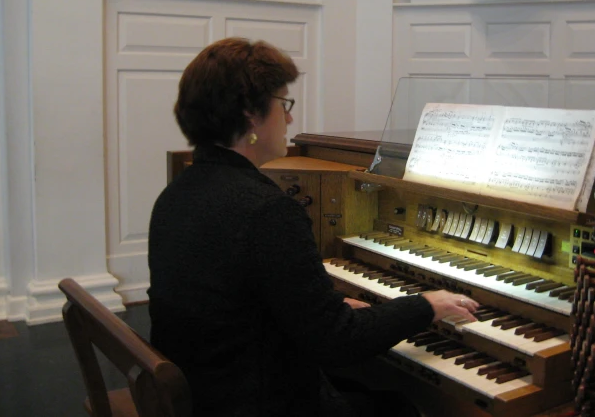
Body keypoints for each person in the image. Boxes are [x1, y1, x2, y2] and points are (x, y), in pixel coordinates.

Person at [148, 37, 480, 417]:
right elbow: (337, 342)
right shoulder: (266, 211)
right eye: (283, 104)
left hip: (210, 389)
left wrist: (327, 306)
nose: (289, 119)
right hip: (254, 402)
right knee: (401, 409)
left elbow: (232, 295)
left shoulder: (179, 192)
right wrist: (425, 304)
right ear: (249, 114)